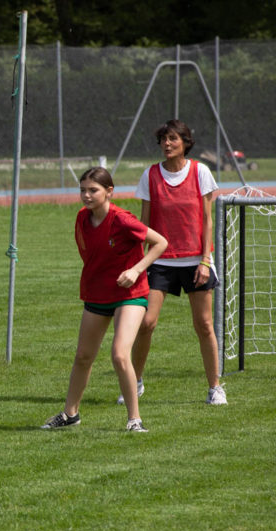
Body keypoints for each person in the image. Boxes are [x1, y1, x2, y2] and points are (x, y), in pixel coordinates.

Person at [42, 167, 168, 432]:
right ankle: (70, 414)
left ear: (109, 192)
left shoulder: (122, 219)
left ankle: (134, 419)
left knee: (120, 355)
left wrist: (135, 270)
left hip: (129, 295)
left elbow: (160, 243)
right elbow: (88, 253)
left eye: (93, 190)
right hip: (97, 293)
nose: (86, 195)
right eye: (83, 190)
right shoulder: (81, 218)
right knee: (83, 357)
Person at [127, 119, 225, 405]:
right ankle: (135, 382)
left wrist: (205, 260)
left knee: (204, 324)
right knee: (146, 323)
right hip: (160, 261)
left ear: (185, 142)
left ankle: (215, 388)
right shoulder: (150, 175)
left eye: (172, 139)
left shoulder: (200, 172)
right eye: (163, 140)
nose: (166, 144)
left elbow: (207, 219)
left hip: (196, 260)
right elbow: (144, 223)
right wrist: (139, 261)